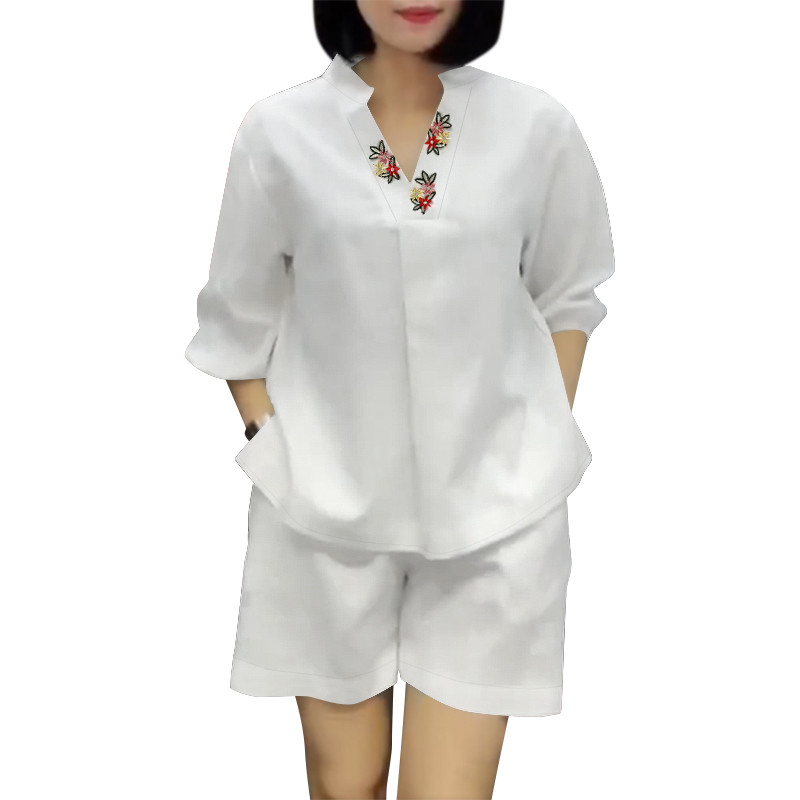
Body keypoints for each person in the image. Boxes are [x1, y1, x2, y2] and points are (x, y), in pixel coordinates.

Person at [184, 1, 615, 797]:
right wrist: (271, 442)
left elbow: (570, 293)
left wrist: (539, 432)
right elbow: (236, 317)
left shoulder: (536, 127)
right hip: (324, 514)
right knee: (344, 785)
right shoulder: (280, 131)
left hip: (496, 520)